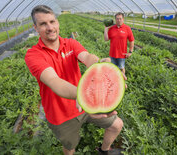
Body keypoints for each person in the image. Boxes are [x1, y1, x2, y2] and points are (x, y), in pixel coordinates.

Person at [24, 5, 124, 155]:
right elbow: (54, 81)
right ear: (36, 28)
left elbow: (87, 57)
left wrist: (101, 65)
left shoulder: (70, 43)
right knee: (70, 147)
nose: (50, 27)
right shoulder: (33, 55)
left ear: (58, 22)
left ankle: (104, 151)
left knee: (117, 125)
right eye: (43, 24)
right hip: (61, 114)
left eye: (52, 21)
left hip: (85, 104)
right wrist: (84, 95)